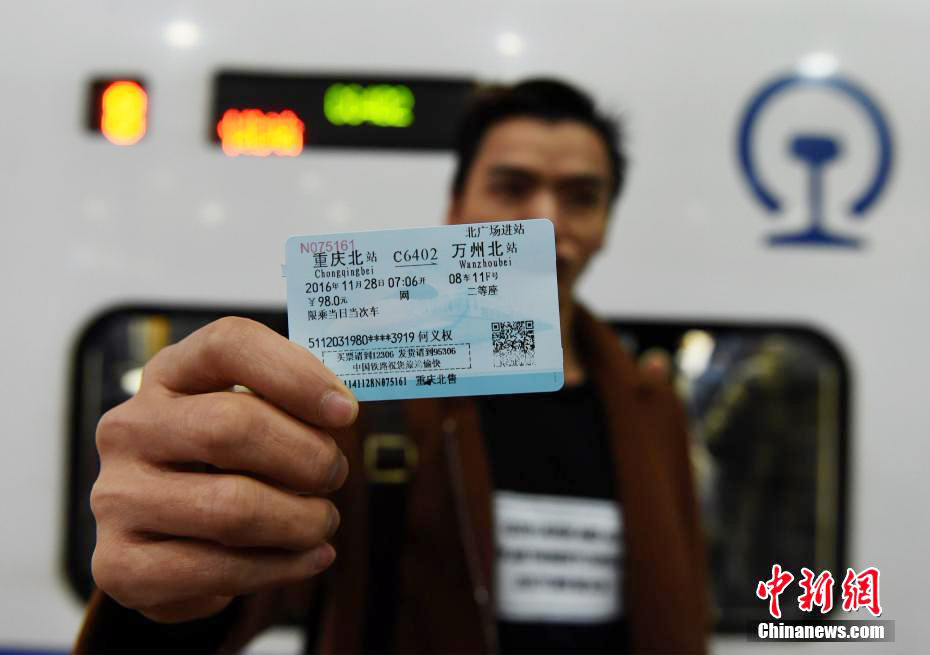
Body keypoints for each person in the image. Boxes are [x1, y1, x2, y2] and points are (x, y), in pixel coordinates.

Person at [76, 79, 707, 654]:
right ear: (456, 205)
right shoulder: (361, 396)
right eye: (511, 187)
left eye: (581, 197)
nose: (545, 221)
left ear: (604, 226)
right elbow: (237, 587)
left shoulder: (652, 409)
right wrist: (162, 585)